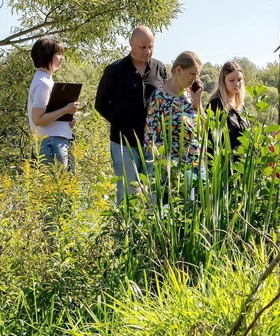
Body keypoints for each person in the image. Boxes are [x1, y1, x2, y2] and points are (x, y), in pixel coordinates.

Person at [95, 26, 167, 206]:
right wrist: (121, 120)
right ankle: (126, 233)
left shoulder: (159, 69)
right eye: (142, 47)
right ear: (131, 43)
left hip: (153, 143)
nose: (147, 51)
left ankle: (151, 232)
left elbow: (165, 102)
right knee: (127, 193)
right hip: (123, 142)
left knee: (153, 193)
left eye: (150, 47)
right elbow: (100, 104)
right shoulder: (114, 70)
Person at [144, 51, 205, 198]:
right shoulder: (160, 97)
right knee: (184, 213)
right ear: (178, 70)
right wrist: (167, 168)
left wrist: (198, 103)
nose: (195, 79)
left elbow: (204, 130)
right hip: (177, 168)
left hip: (198, 164)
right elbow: (149, 137)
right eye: (192, 73)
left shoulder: (191, 95)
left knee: (200, 215)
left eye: (197, 74)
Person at [27, 37, 78, 170]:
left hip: (56, 140)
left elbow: (48, 114)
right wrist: (66, 110)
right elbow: (38, 119)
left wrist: (66, 120)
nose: (62, 58)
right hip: (51, 142)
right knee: (57, 187)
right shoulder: (43, 82)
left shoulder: (46, 80)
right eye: (58, 54)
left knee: (64, 187)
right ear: (47, 55)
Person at [207, 61, 249, 159]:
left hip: (243, 165)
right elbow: (210, 140)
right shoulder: (216, 104)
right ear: (223, 81)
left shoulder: (241, 106)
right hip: (224, 164)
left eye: (239, 80)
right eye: (231, 80)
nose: (236, 84)